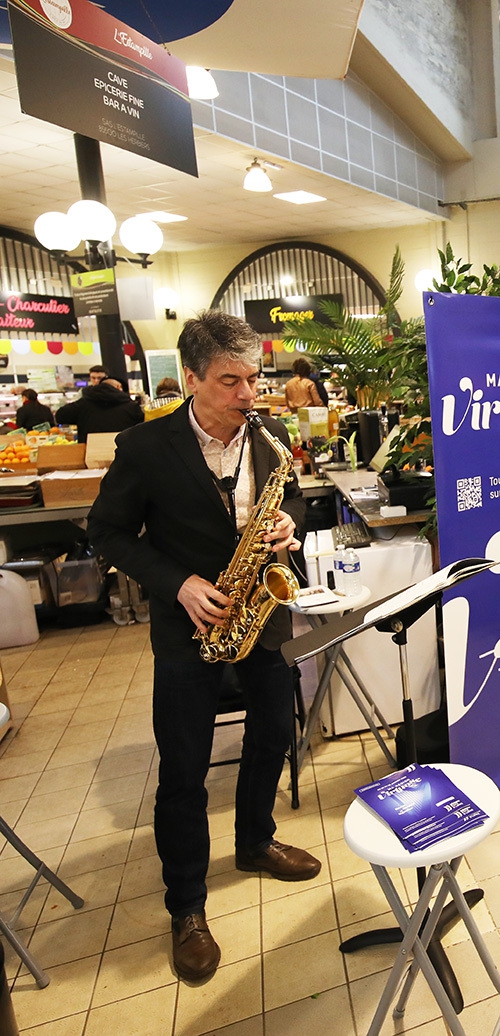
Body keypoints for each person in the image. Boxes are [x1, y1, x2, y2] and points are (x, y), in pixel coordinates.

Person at [87, 310, 321, 983]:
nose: (249, 394)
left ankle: (254, 842)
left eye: (253, 379)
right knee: (184, 771)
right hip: (191, 628)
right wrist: (178, 583)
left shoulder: (269, 435)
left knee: (272, 735)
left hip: (263, 619)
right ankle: (187, 906)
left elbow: (297, 501)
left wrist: (287, 526)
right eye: (229, 382)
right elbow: (107, 533)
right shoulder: (144, 447)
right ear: (189, 378)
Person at [55, 377, 143, 443]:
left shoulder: (83, 403)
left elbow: (60, 416)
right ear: (119, 387)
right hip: (123, 451)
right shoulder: (131, 406)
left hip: (89, 453)